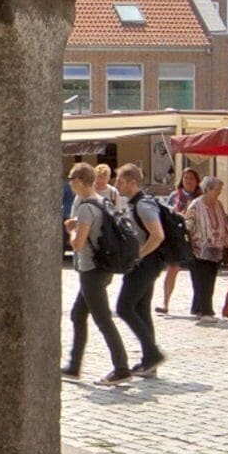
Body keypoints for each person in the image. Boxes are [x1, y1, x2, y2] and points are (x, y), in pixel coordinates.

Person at [62, 163, 136, 383]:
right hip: (103, 267)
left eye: (71, 178)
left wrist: (72, 230)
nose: (69, 182)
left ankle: (121, 368)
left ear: (80, 181)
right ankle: (74, 366)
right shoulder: (101, 201)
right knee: (78, 314)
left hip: (91, 270)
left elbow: (78, 244)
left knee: (103, 319)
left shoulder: (85, 207)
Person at [110, 167, 169, 374]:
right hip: (143, 264)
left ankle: (153, 354)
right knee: (142, 310)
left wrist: (138, 256)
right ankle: (149, 362)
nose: (116, 185)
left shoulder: (143, 205)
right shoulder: (133, 204)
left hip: (145, 265)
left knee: (124, 307)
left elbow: (158, 235)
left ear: (133, 182)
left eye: (120, 181)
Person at [168, 174, 228, 318]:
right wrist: (187, 244)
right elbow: (188, 226)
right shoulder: (196, 205)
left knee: (210, 279)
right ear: (207, 190)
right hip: (198, 250)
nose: (219, 192)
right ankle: (206, 311)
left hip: (216, 248)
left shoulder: (219, 204)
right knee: (202, 280)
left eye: (220, 190)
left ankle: (197, 308)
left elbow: (224, 224)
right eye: (217, 189)